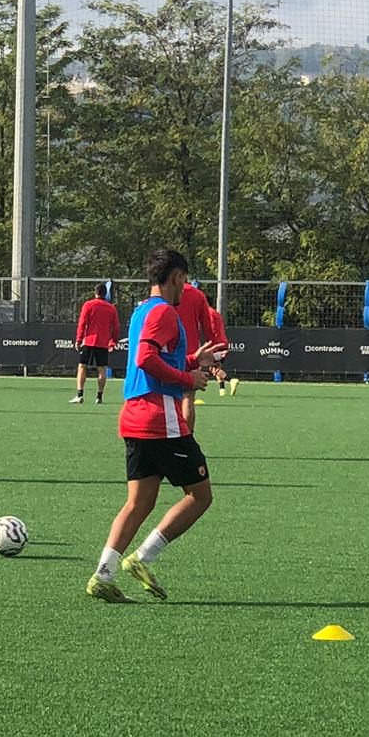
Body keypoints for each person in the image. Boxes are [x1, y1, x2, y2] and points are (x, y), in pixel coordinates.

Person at [87, 248, 226, 604]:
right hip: (159, 417)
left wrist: (193, 360)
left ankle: (103, 574)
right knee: (200, 496)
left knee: (139, 503)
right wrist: (188, 378)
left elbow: (155, 356)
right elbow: (146, 359)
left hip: (134, 416)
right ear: (177, 277)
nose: (186, 288)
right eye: (185, 281)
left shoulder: (141, 311)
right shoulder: (164, 312)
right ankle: (142, 557)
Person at [175, 278, 216, 430]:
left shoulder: (165, 293)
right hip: (192, 353)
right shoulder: (197, 295)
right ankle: (187, 435)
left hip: (168, 354)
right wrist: (213, 351)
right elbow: (208, 327)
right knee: (188, 398)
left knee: (167, 398)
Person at [71, 283, 120, 405]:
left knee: (82, 366)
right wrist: (113, 341)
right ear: (105, 293)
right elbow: (116, 327)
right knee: (102, 369)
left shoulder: (88, 305)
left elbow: (82, 323)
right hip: (103, 342)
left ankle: (80, 395)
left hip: (89, 341)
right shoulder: (111, 308)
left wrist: (78, 339)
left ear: (95, 293)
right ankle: (99, 397)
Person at [208, 303, 238, 397]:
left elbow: (212, 328)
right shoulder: (216, 313)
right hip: (223, 342)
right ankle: (222, 391)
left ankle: (231, 380)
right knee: (218, 367)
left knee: (212, 368)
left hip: (216, 344)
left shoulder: (209, 313)